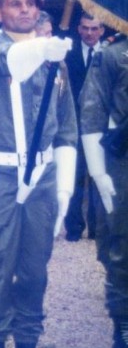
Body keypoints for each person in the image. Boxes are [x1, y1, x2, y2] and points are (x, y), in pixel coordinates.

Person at [0, 0, 77, 348]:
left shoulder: (54, 59)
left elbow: (66, 126)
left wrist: (64, 186)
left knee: (34, 269)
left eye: (30, 4)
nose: (25, 11)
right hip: (1, 174)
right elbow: (11, 61)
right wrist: (42, 48)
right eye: (15, 4)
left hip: (43, 176)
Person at [78, 26, 127, 348]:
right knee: (121, 245)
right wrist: (98, 173)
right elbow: (92, 113)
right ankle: (123, 327)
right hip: (122, 162)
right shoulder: (112, 54)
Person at [64, 13, 106, 241]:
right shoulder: (67, 53)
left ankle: (97, 228)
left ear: (101, 30)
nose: (89, 33)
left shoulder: (109, 54)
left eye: (94, 28)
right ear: (78, 29)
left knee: (98, 176)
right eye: (85, 28)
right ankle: (73, 227)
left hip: (100, 125)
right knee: (75, 176)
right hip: (74, 124)